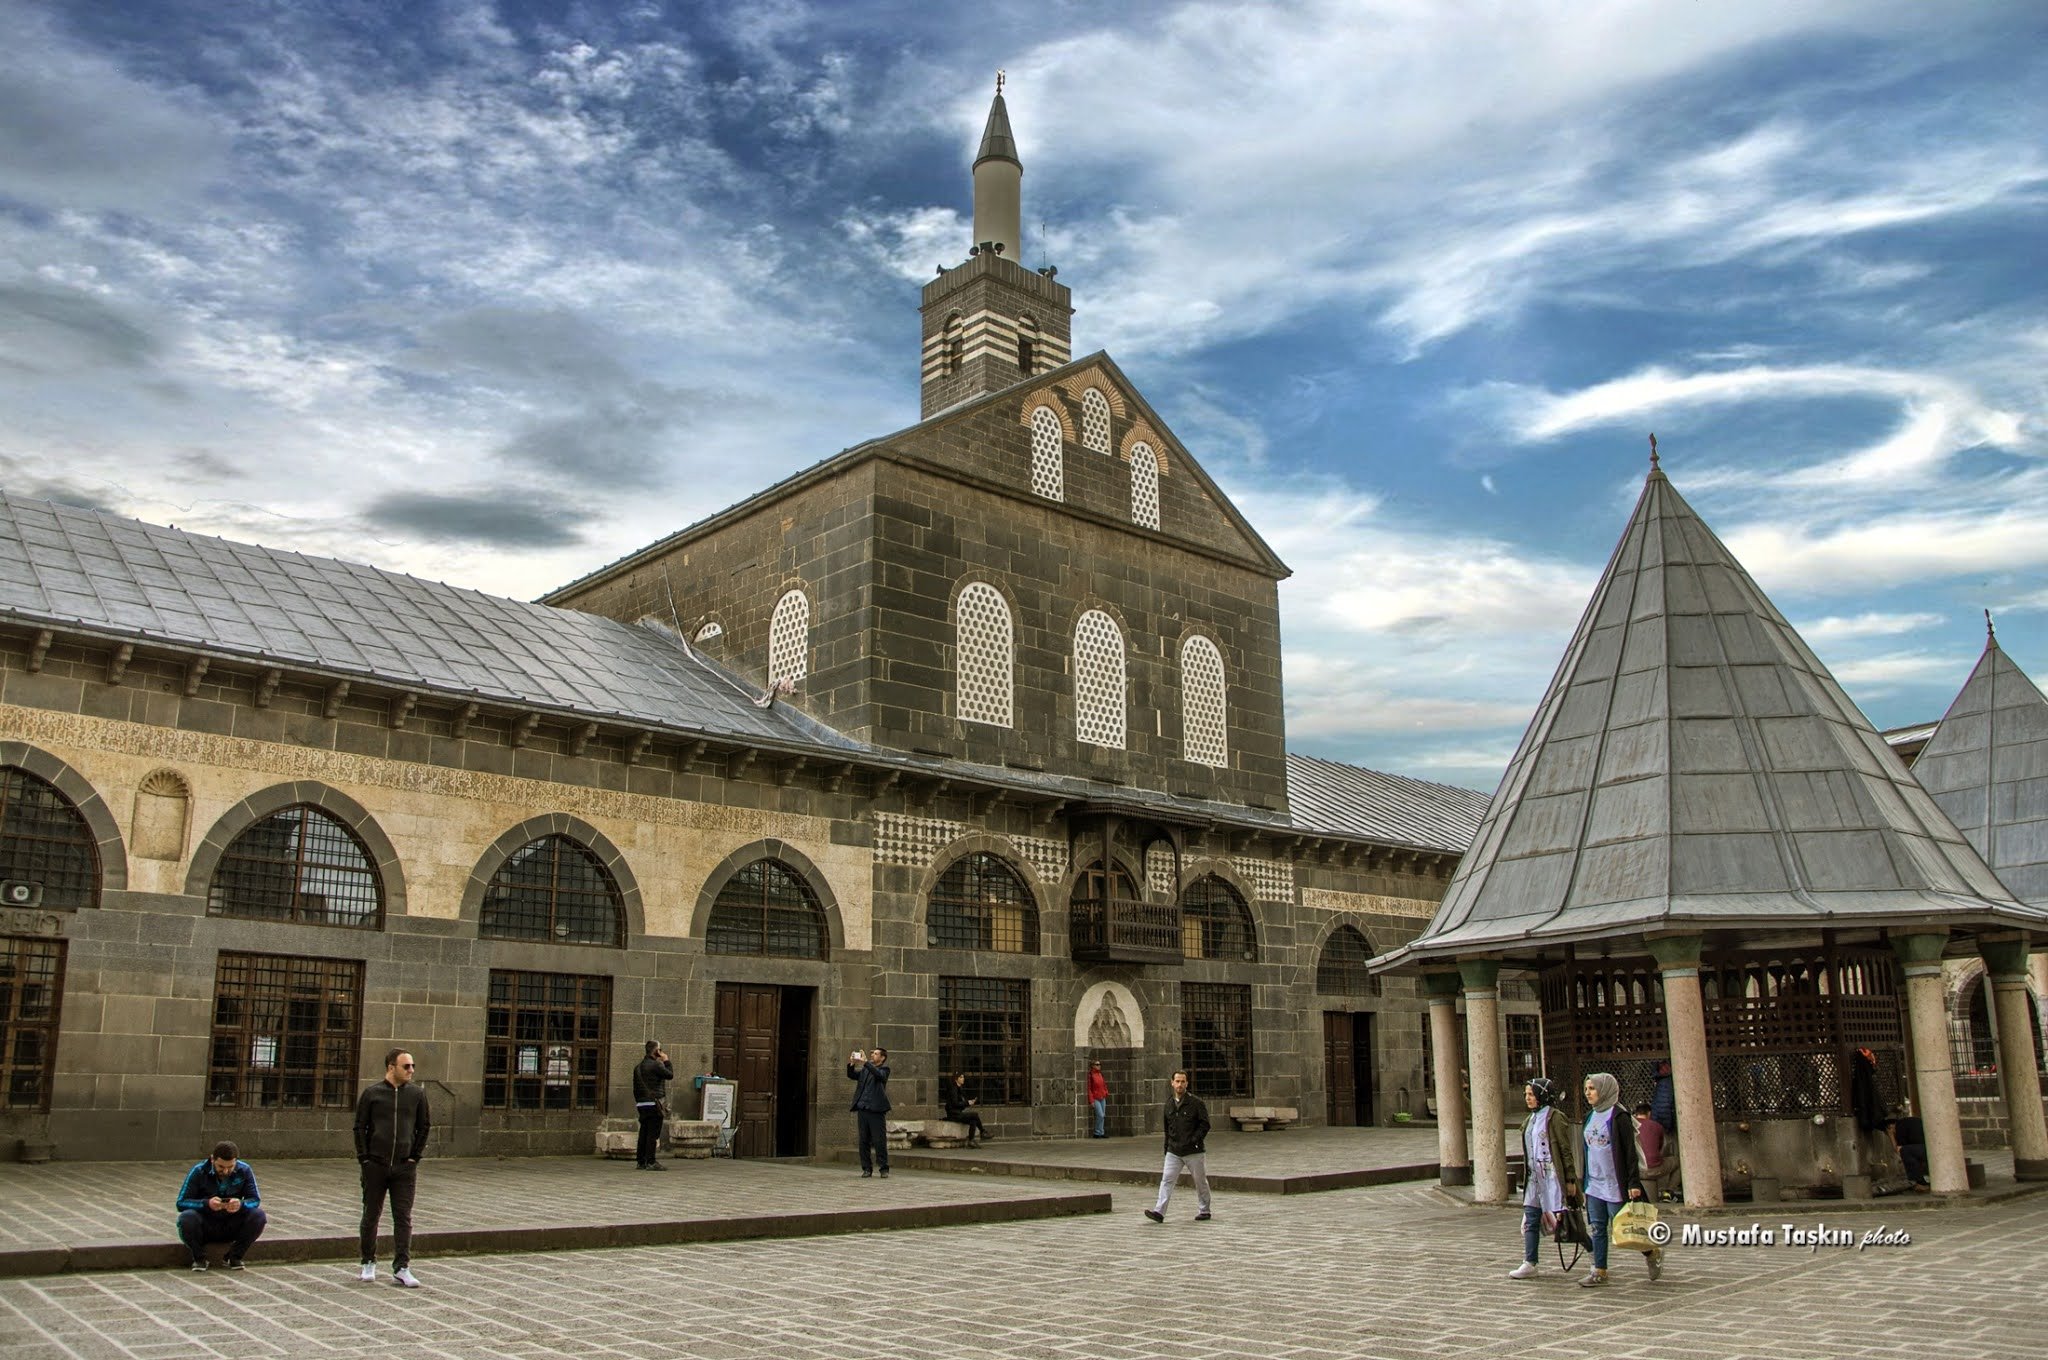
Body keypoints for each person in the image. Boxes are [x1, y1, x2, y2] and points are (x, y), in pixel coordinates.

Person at [354, 1046, 430, 1287]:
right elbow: (360, 1127)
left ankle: (402, 1267)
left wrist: (414, 1157)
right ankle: (368, 1261)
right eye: (406, 1066)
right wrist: (364, 1158)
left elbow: (424, 1126)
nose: (411, 1070)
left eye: (413, 1066)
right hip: (375, 1165)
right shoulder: (372, 1094)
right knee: (371, 1215)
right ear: (391, 1067)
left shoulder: (416, 1094)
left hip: (404, 1167)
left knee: (403, 1217)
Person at [1577, 1072, 1657, 1288]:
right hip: (1594, 1183)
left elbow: (1629, 1152)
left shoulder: (1619, 1116)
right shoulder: (1590, 1116)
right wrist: (1583, 1181)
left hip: (1615, 1182)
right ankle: (1599, 1270)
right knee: (1597, 1227)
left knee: (1626, 1228)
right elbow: (1586, 1151)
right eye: (1586, 1089)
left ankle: (1651, 1252)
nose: (1588, 1093)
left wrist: (1633, 1183)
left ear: (1605, 1090)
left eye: (1592, 1089)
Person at [1508, 1078, 1574, 1279]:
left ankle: (1591, 1253)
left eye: (1531, 1094)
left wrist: (1570, 1179)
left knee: (1569, 1221)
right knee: (1531, 1218)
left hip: (1553, 1178)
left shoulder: (1555, 1117)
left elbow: (1565, 1150)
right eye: (1526, 1094)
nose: (1527, 1098)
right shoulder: (1530, 1120)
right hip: (1534, 1178)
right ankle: (1530, 1262)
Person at [175, 1140, 267, 1271]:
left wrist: (241, 1204)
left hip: (232, 1222)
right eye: (221, 1167)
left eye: (230, 1167)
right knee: (186, 1218)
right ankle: (199, 1258)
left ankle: (234, 1256)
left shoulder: (244, 1170)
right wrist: (206, 1204)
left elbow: (255, 1200)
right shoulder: (199, 1171)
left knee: (258, 1216)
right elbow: (181, 1202)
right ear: (212, 1159)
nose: (225, 1171)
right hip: (206, 1224)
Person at [1143, 1070, 1211, 1223]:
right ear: (1172, 1083)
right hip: (1174, 1150)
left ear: (1187, 1083)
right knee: (1167, 1180)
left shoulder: (1196, 1103)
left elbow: (1205, 1124)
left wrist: (1194, 1140)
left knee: (1200, 1181)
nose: (1180, 1084)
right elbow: (1167, 1129)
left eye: (1183, 1081)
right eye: (1177, 1081)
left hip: (1193, 1150)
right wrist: (1167, 1147)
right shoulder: (1169, 1104)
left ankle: (1205, 1210)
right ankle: (1159, 1212)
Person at [847, 1046, 891, 1178]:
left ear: (882, 1058)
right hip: (863, 1108)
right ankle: (866, 1168)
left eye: (876, 1054)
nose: (872, 1055)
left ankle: (883, 1168)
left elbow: (879, 1075)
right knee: (863, 1140)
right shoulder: (866, 1069)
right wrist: (852, 1064)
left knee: (879, 1140)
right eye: (872, 1053)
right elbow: (852, 1075)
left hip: (876, 1110)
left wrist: (866, 1063)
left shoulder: (884, 1070)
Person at [634, 1039, 674, 1170]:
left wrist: (639, 1100)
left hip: (641, 1103)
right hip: (654, 1103)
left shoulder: (638, 1067)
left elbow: (635, 1087)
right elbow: (670, 1075)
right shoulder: (656, 1065)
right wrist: (666, 1061)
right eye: (660, 1050)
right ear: (656, 1051)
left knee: (644, 1132)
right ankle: (651, 1161)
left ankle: (641, 1161)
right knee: (652, 1133)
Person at [1632, 1100, 1677, 1202]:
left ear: (1635, 1114)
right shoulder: (1657, 1126)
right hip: (1653, 1168)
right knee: (1677, 1162)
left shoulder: (1630, 1125)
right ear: (1649, 1113)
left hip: (1635, 1169)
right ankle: (1668, 1192)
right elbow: (1661, 1147)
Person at [1889, 1103, 1929, 1190]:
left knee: (1905, 1151)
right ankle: (1925, 1181)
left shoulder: (1899, 1125)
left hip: (1925, 1150)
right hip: (1929, 1148)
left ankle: (1919, 1183)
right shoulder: (1914, 1121)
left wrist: (1891, 1135)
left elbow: (1898, 1150)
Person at [942, 1072, 987, 1146]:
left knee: (973, 1120)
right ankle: (982, 1132)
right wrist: (967, 1103)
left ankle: (971, 1140)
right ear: (956, 1079)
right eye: (961, 1077)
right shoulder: (953, 1089)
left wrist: (969, 1103)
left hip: (958, 1113)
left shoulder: (959, 1089)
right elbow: (955, 1103)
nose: (963, 1079)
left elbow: (960, 1105)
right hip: (953, 1115)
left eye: (963, 1077)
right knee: (975, 1115)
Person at [1087, 1060, 1109, 1138]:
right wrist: (1091, 1100)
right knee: (1100, 1115)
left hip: (1102, 1097)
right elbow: (1089, 1088)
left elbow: (1104, 1084)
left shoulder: (1100, 1074)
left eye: (1099, 1064)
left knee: (1103, 1115)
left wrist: (1106, 1092)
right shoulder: (1091, 1075)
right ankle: (1097, 1132)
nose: (1099, 1066)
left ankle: (1101, 1132)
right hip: (1095, 1098)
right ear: (1093, 1065)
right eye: (1097, 1064)